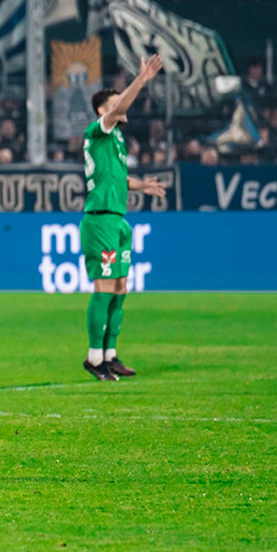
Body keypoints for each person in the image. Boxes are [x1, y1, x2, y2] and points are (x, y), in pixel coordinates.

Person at [81, 54, 170, 380]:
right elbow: (117, 109)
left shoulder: (116, 141)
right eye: (117, 103)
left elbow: (116, 179)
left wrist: (141, 185)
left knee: (120, 286)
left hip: (118, 219)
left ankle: (110, 354)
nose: (124, 107)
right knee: (104, 285)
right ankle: (93, 357)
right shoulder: (99, 130)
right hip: (100, 219)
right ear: (103, 111)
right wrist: (142, 79)